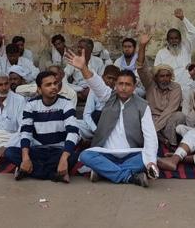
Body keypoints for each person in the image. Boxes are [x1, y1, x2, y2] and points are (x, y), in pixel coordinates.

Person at [65, 48, 159, 187]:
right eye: (120, 84)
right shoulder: (109, 97)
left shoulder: (142, 106)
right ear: (116, 85)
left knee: (149, 157)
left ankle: (104, 171)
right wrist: (84, 68)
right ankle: (129, 177)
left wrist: (151, 161)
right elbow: (96, 83)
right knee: (85, 156)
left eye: (127, 84)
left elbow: (150, 135)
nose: (123, 88)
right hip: (105, 152)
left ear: (134, 87)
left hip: (131, 153)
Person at [5, 71, 80, 182]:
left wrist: (64, 159)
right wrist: (25, 158)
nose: (54, 87)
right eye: (48, 85)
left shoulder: (66, 104)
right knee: (10, 152)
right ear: (39, 89)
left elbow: (73, 132)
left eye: (55, 83)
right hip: (37, 150)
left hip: (58, 150)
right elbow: (26, 132)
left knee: (73, 156)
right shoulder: (31, 105)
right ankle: (54, 174)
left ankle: (31, 171)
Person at [137, 34, 185, 147]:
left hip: (167, 119)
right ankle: (162, 140)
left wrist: (154, 129)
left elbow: (170, 110)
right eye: (162, 76)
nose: (165, 79)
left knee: (179, 116)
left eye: (168, 76)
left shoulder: (176, 87)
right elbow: (141, 68)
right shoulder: (150, 84)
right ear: (156, 77)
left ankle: (166, 141)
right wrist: (142, 46)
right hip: (152, 118)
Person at [154, 8, 195, 113]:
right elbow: (156, 72)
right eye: (171, 39)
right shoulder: (161, 53)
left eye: (176, 38)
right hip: (168, 88)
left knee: (186, 110)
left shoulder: (186, 47)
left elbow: (193, 33)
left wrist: (183, 18)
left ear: (180, 39)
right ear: (167, 40)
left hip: (186, 87)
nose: (174, 41)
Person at [77, 65, 120, 140]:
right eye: (109, 78)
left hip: (110, 126)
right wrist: (95, 130)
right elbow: (87, 114)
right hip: (94, 125)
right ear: (103, 77)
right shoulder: (94, 90)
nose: (111, 81)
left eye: (114, 79)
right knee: (74, 124)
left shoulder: (119, 93)